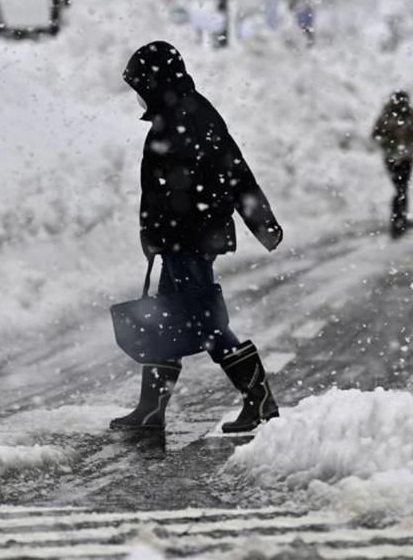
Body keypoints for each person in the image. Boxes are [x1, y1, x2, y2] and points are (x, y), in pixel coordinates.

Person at [112, 41, 284, 434]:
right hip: (179, 240)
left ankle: (259, 399)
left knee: (206, 323)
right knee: (166, 321)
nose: (138, 97)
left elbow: (232, 171)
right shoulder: (177, 114)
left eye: (141, 87)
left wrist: (262, 222)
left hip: (191, 240)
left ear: (156, 83)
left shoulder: (191, 116)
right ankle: (151, 410)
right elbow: (161, 191)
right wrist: (152, 233)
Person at [370, 90, 413, 239]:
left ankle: (400, 218)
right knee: (401, 189)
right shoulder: (389, 115)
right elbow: (376, 135)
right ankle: (398, 221)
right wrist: (391, 146)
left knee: (402, 189)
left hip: (405, 158)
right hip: (394, 159)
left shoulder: (409, 114)